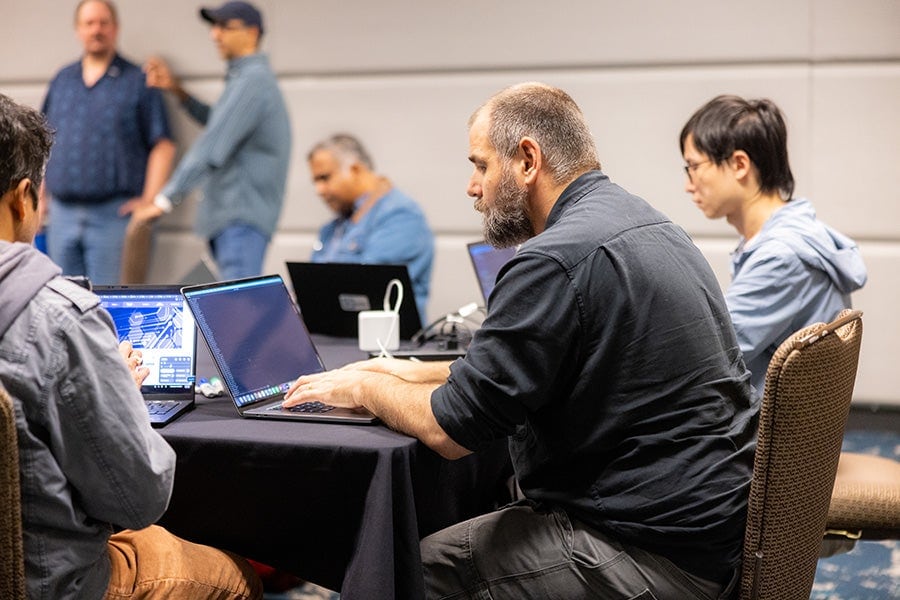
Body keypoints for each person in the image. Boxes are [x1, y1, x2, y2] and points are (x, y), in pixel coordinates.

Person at [284, 83, 757, 599]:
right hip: (711, 533)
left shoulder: (553, 259)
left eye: (481, 165)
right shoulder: (649, 223)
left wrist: (362, 391)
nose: (472, 186)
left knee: (397, 574)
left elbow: (450, 428)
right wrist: (405, 370)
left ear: (527, 159)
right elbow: (547, 366)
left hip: (649, 554)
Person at [0, 93, 261, 600]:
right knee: (233, 577)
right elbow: (139, 500)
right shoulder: (59, 318)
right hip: (51, 584)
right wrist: (117, 386)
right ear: (23, 198)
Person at [680, 94, 867, 395]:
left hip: (754, 433)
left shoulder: (781, 257)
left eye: (694, 167)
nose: (689, 184)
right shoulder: (798, 236)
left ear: (739, 164)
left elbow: (708, 359)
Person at [135, 1, 291, 281]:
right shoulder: (244, 79)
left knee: (239, 310)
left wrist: (164, 199)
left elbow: (213, 147)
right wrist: (179, 92)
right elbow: (220, 123)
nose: (215, 35)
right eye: (214, 27)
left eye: (225, 27)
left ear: (252, 33)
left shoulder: (253, 82)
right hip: (234, 220)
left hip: (240, 219)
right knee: (233, 307)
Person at [40, 0, 175, 285]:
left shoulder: (138, 80)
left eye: (103, 22)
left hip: (113, 217)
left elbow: (163, 145)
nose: (96, 29)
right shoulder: (62, 80)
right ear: (78, 30)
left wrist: (148, 202)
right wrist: (38, 198)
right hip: (61, 214)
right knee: (63, 304)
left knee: (110, 305)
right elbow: (40, 142)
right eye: (89, 23)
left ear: (116, 28)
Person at [308, 133, 435, 319]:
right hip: (332, 337)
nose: (319, 190)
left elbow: (364, 284)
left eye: (325, 178)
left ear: (356, 170)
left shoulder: (401, 216)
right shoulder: (333, 227)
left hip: (384, 343)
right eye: (316, 181)